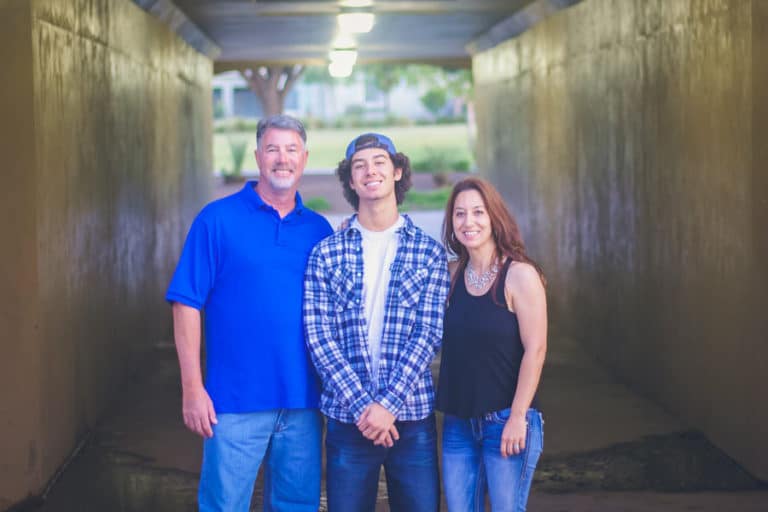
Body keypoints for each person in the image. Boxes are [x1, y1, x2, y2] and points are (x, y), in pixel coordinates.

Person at [165, 115, 332, 511]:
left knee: (297, 505)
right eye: (272, 149)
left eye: (291, 150)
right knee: (224, 506)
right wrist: (192, 387)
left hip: (304, 402)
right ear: (257, 156)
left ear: (304, 158)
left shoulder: (319, 230)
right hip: (233, 402)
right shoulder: (216, 220)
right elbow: (186, 303)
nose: (282, 159)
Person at [303, 133, 450, 512]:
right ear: (350, 180)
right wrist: (364, 408)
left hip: (412, 419)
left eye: (380, 162)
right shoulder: (325, 253)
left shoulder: (428, 252)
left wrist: (388, 405)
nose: (371, 171)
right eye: (359, 165)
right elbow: (319, 335)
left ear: (398, 171)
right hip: (347, 420)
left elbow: (429, 333)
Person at [436, 176, 547, 511]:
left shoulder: (519, 275)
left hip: (506, 420)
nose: (468, 222)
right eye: (459, 214)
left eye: (478, 212)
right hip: (458, 423)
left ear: (494, 217)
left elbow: (536, 350)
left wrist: (517, 417)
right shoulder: (451, 274)